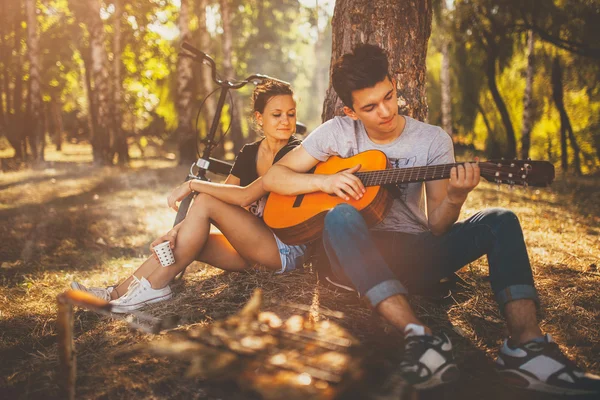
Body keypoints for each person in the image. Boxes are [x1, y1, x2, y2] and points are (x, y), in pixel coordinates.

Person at [262, 44, 600, 395]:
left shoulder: (433, 139)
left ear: (394, 84)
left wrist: (455, 197)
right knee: (340, 215)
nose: (385, 111)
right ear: (350, 111)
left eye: (389, 97)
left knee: (502, 220)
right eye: (370, 107)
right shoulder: (337, 133)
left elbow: (438, 227)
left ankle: (527, 349)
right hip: (352, 257)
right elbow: (274, 178)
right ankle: (420, 337)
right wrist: (325, 181)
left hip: (413, 253)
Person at [71, 80, 307, 313]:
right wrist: (175, 232)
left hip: (283, 251)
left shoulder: (295, 152)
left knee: (205, 198)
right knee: (182, 242)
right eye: (277, 114)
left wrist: (194, 185)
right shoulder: (249, 153)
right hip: (250, 251)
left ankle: (154, 287)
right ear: (259, 118)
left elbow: (244, 197)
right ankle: (114, 294)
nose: (285, 121)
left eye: (291, 114)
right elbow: (220, 201)